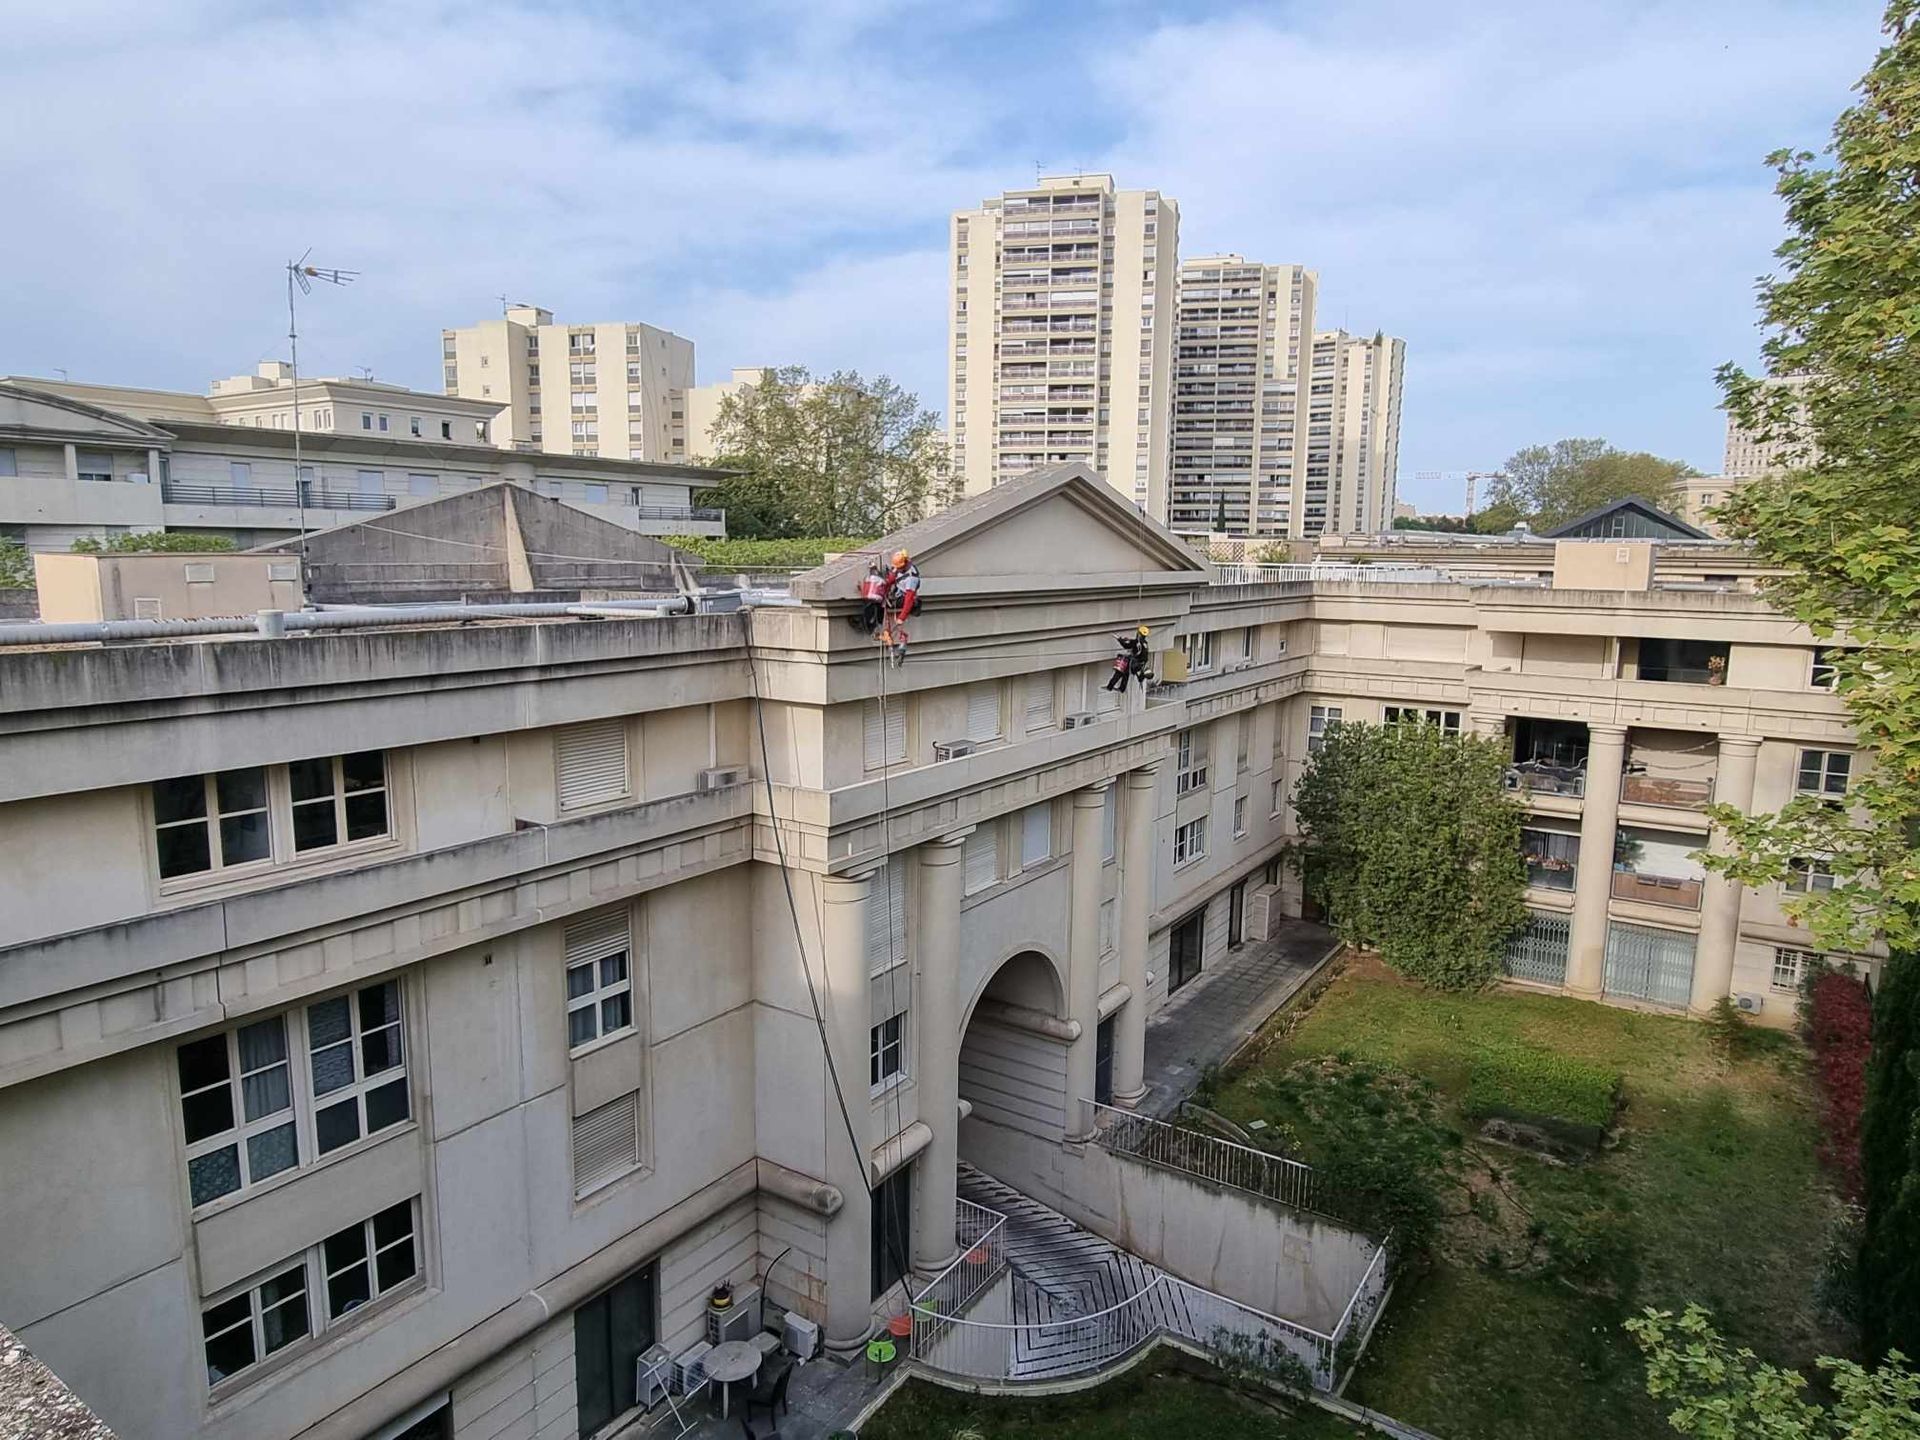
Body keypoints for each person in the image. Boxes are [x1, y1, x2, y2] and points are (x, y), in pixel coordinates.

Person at [882, 550, 920, 666]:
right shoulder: (899, 569)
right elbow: (892, 579)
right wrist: (885, 584)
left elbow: (909, 599)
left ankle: (898, 642)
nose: (897, 569)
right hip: (897, 594)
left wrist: (902, 617)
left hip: (903, 599)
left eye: (899, 568)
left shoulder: (911, 578)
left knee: (884, 606)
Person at [1105, 625, 1153, 692]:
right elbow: (1137, 648)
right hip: (1139, 665)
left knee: (1120, 671)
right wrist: (1128, 640)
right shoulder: (1145, 643)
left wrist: (1120, 640)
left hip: (1134, 663)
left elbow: (1126, 646)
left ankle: (1110, 686)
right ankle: (1122, 688)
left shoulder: (1137, 642)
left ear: (1139, 634)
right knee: (1126, 673)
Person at [852, 561, 887, 634]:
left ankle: (864, 625)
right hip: (877, 600)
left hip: (872, 600)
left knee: (868, 611)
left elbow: (867, 591)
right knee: (872, 612)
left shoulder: (870, 578)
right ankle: (870, 626)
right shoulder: (879, 579)